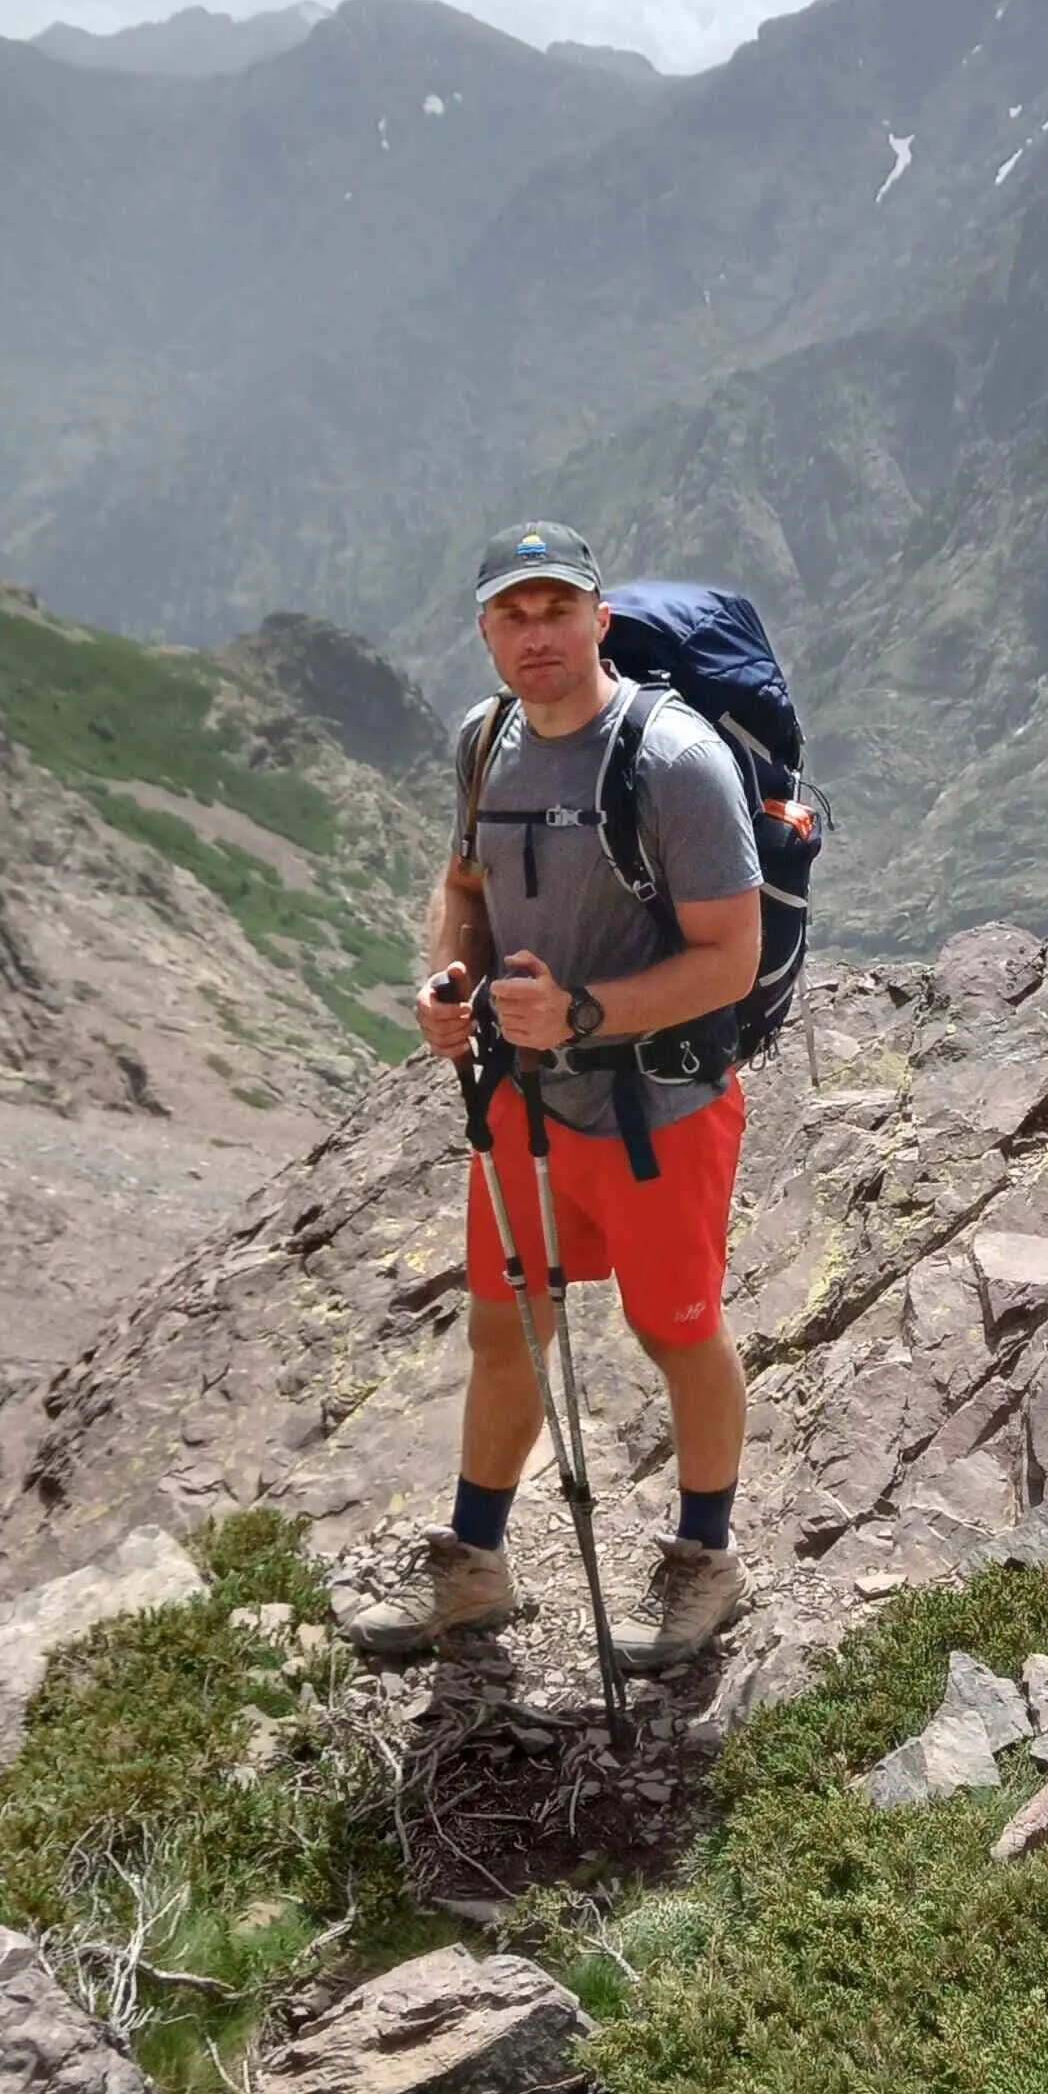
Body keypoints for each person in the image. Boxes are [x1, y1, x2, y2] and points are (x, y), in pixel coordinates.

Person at [346, 520, 762, 1673]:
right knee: (504, 1327)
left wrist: (582, 1013)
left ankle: (705, 1559)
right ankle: (475, 1566)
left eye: (556, 610)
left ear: (599, 618)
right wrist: (451, 981)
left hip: (656, 1110)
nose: (537, 636)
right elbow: (467, 884)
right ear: (485, 632)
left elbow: (730, 954)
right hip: (523, 1104)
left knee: (675, 1329)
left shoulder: (676, 761)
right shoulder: (486, 744)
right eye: (511, 615)